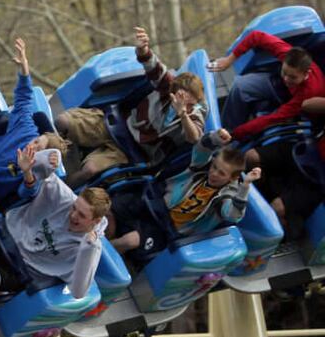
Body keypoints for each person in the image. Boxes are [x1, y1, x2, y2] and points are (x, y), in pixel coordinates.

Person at [58, 27, 206, 186]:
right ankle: (60, 149)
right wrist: (143, 50)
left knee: (90, 170)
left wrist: (183, 114)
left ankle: (65, 185)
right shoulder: (168, 87)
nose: (181, 100)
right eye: (178, 95)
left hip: (130, 150)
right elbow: (155, 67)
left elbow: (195, 137)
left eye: (188, 99)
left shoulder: (196, 113)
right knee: (63, 121)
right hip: (118, 124)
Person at [0, 147, 111, 300]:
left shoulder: (90, 247)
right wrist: (52, 157)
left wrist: (89, 249)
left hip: (21, 269)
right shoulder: (65, 198)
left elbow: (78, 292)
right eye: (74, 207)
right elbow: (44, 167)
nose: (73, 215)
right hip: (6, 234)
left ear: (96, 221)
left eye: (81, 215)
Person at [107, 129, 261, 257]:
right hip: (156, 204)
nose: (213, 174)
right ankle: (101, 240)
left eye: (221, 173)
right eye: (214, 167)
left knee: (128, 241)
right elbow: (201, 148)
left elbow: (233, 215)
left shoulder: (227, 196)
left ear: (232, 178)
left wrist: (245, 186)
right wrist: (216, 137)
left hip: (167, 228)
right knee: (110, 209)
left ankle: (101, 257)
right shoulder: (201, 167)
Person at [0, 38, 66, 204]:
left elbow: (28, 193)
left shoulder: (35, 173)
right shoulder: (26, 130)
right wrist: (24, 68)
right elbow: (24, 99)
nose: (33, 146)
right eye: (37, 141)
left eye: (38, 149)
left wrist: (27, 172)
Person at [209, 30, 325, 144]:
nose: (286, 79)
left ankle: (229, 137)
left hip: (294, 105)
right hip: (278, 86)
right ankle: (224, 130)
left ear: (306, 74)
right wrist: (230, 59)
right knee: (240, 86)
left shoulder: (308, 94)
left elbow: (271, 118)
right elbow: (257, 36)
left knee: (260, 124)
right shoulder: (287, 55)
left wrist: (235, 134)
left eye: (293, 77)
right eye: (284, 72)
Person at [240, 96, 325, 239]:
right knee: (251, 157)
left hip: (317, 180)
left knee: (276, 208)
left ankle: (284, 231)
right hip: (306, 151)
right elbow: (306, 104)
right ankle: (260, 191)